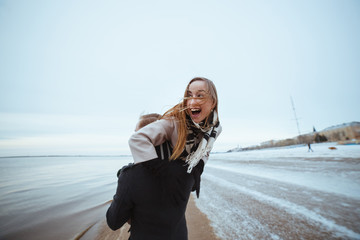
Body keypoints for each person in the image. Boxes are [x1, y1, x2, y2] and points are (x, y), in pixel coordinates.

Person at [106, 77, 222, 239]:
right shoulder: (186, 173)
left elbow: (113, 221)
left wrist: (122, 183)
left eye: (138, 132)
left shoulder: (131, 175)